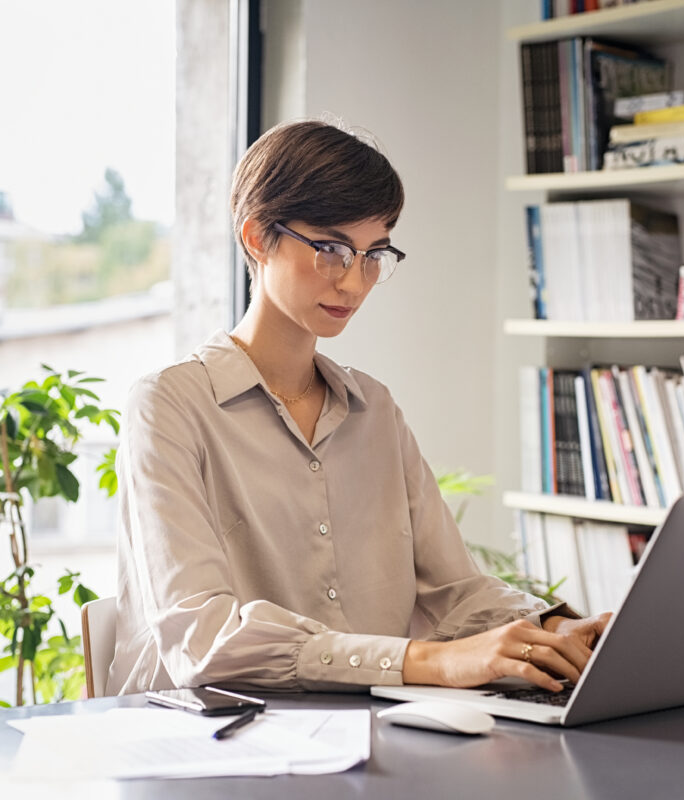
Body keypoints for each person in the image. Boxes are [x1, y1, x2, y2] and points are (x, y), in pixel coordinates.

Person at [106, 119, 610, 697]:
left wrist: (559, 630)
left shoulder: (375, 410)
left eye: (374, 254)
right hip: (209, 752)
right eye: (330, 248)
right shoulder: (168, 406)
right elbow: (205, 640)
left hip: (366, 740)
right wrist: (434, 662)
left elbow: (456, 591)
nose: (353, 280)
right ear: (255, 237)